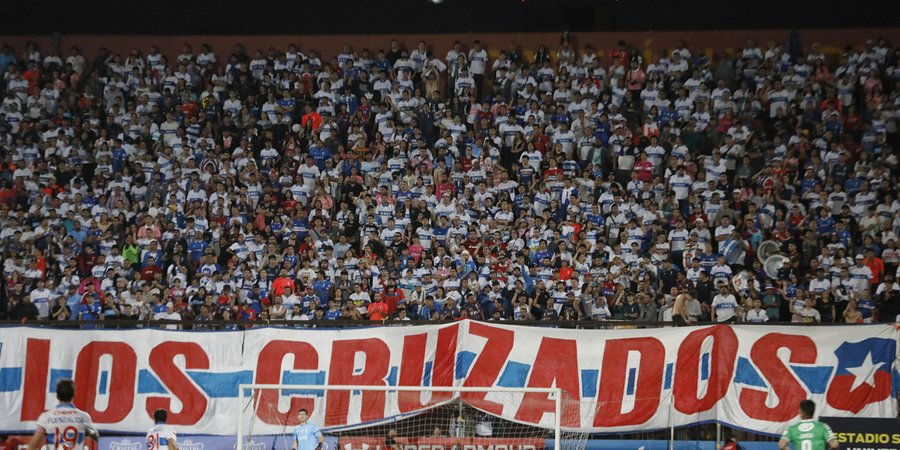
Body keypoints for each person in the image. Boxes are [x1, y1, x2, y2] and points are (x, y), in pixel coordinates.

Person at [27, 379, 99, 450]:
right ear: (73, 395)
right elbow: (95, 436)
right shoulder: (84, 417)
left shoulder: (46, 417)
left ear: (57, 396)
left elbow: (33, 445)